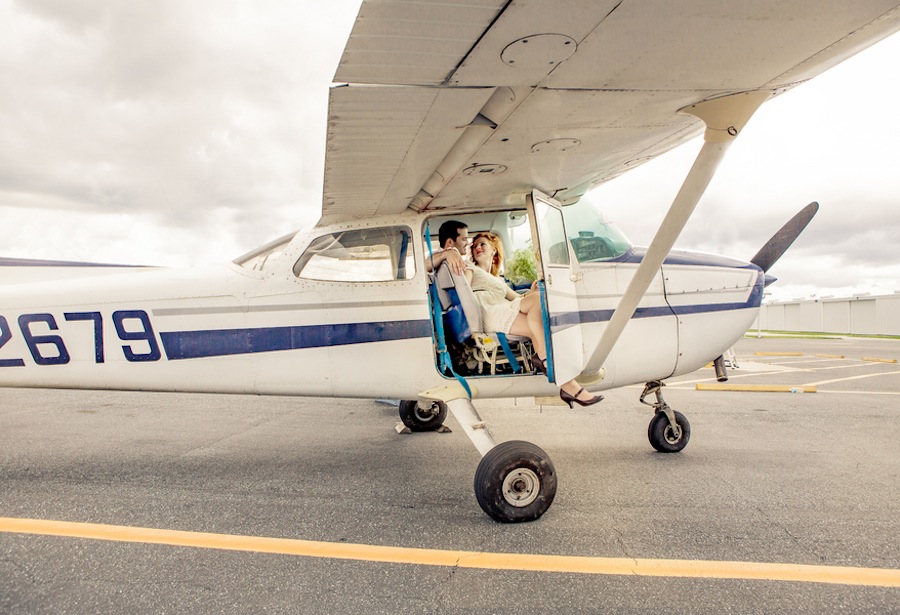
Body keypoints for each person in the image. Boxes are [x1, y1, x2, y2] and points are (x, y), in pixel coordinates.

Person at [464, 233, 603, 408]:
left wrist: (531, 291)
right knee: (538, 305)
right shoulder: (470, 268)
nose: (477, 248)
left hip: (504, 308)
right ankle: (544, 357)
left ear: (494, 250)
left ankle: (567, 385)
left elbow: (516, 297)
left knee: (535, 320)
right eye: (474, 245)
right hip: (489, 312)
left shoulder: (497, 279)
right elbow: (464, 293)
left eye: (482, 244)